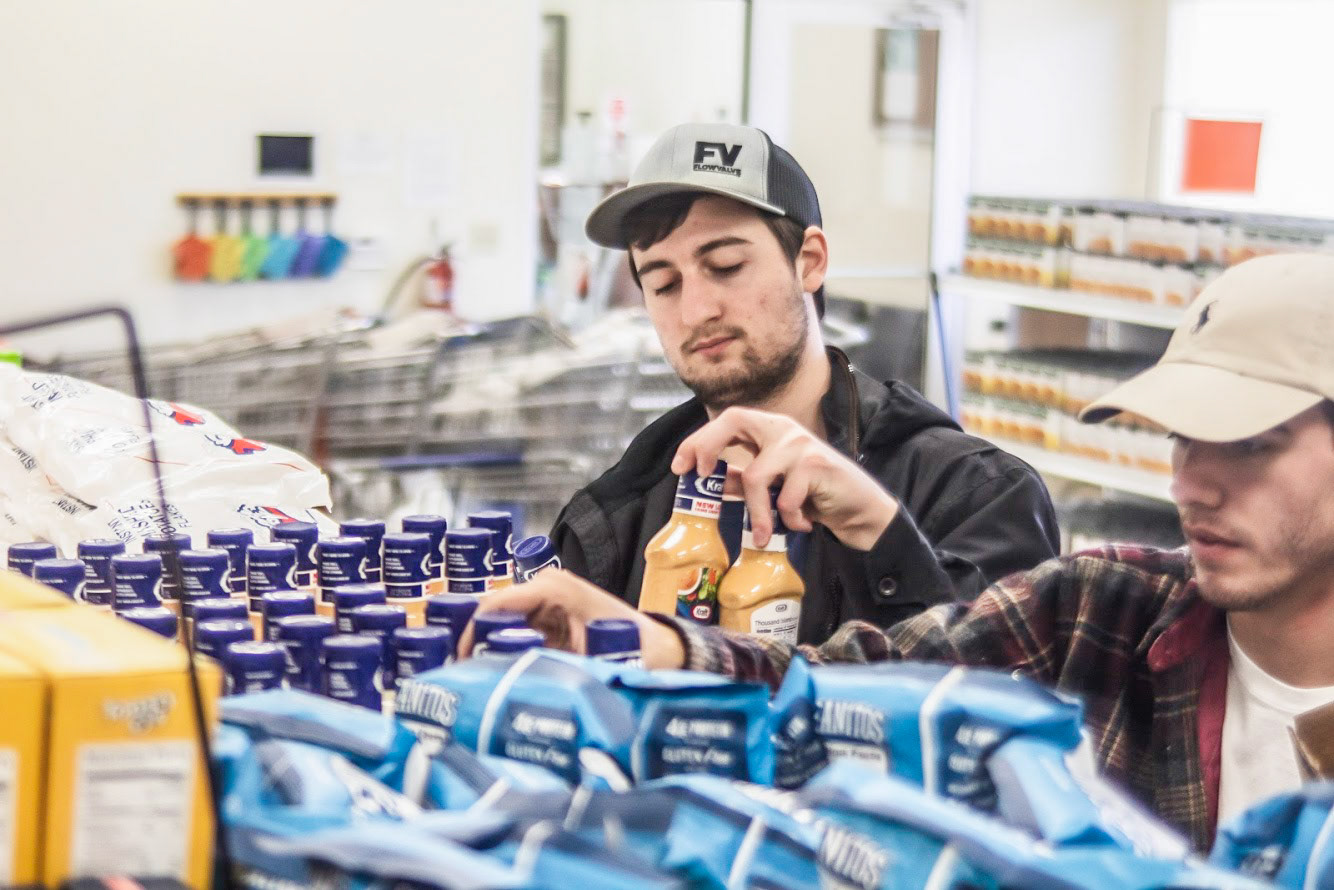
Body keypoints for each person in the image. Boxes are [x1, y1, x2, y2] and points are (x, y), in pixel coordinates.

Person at [474, 252, 1334, 852]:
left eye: (1252, 443)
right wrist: (638, 641)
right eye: (1184, 438)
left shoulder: (978, 485)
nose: (1195, 485)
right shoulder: (1097, 614)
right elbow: (855, 688)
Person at [553, 121, 1058, 640]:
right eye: (663, 284)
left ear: (809, 262)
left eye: (726, 266)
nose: (696, 310)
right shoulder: (613, 522)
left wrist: (880, 534)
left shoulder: (976, 496)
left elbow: (1005, 684)